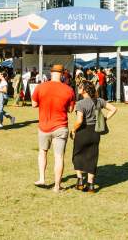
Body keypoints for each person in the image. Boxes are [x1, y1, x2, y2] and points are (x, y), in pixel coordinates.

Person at [31, 64, 75, 192]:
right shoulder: (69, 90)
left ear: (51, 73)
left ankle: (42, 178)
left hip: (44, 126)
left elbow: (34, 104)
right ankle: (57, 186)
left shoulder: (40, 87)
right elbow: (70, 109)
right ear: (62, 75)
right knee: (59, 157)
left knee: (42, 152)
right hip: (60, 126)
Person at [70, 80, 117, 193]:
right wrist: (104, 119)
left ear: (84, 90)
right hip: (95, 131)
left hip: (83, 131)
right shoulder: (99, 101)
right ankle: (91, 184)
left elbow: (80, 120)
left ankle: (80, 181)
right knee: (92, 156)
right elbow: (114, 109)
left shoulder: (80, 103)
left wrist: (73, 129)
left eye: (80, 86)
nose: (78, 87)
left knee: (77, 155)